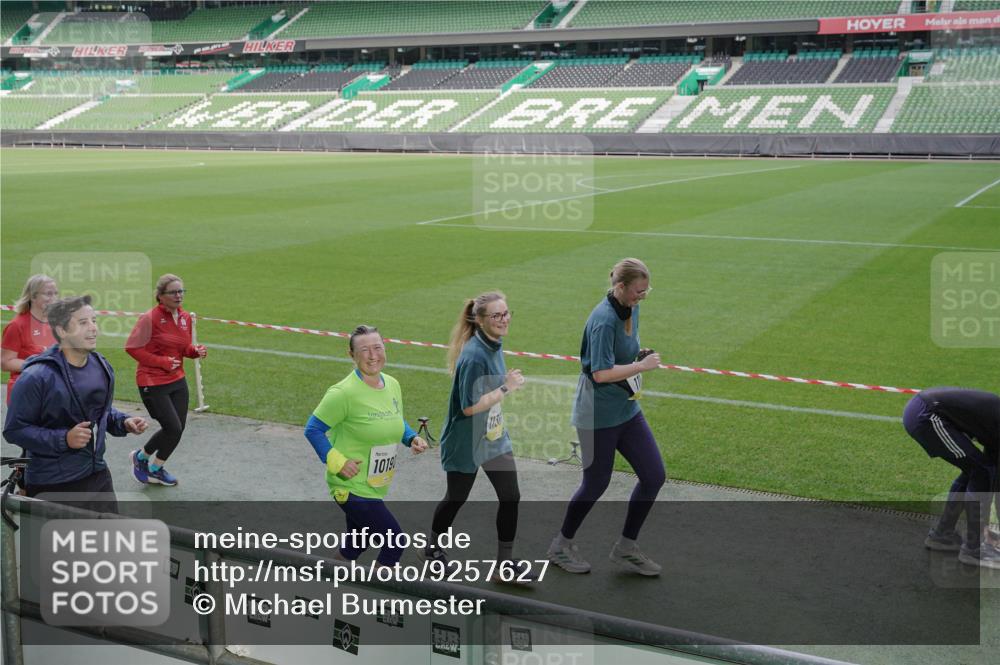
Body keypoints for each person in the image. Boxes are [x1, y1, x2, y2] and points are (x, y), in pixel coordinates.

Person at [548, 258, 666, 576]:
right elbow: (599, 373)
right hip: (597, 414)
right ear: (620, 286)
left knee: (654, 475)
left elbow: (622, 354)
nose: (642, 296)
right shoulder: (602, 319)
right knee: (596, 483)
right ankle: (560, 545)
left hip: (626, 408)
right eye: (638, 291)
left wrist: (635, 358)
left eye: (646, 291)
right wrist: (641, 367)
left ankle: (626, 548)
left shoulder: (630, 307)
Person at [424, 292, 532, 583]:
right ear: (479, 319)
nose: (504, 320)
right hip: (465, 440)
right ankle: (432, 550)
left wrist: (502, 384)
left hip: (493, 436)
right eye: (496, 316)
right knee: (456, 498)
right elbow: (468, 407)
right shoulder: (473, 355)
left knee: (511, 496)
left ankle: (503, 566)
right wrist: (506, 388)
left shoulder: (494, 342)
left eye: (506, 313)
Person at [2, 296, 148, 511]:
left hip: (97, 475)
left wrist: (123, 422)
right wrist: (64, 439)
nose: (93, 329)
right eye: (83, 323)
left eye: (94, 321)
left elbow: (100, 412)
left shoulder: (101, 366)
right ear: (61, 330)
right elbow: (15, 430)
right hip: (53, 484)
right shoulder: (36, 376)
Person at [303, 325, 428, 566]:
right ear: (351, 355)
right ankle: (369, 602)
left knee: (355, 545)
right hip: (349, 486)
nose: (372, 355)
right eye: (364, 350)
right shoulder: (342, 393)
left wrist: (411, 437)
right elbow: (313, 429)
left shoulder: (392, 384)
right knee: (395, 542)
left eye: (377, 347)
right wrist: (338, 462)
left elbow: (394, 418)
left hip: (374, 485)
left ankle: (321, 586)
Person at [903, 386, 1000, 569]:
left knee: (976, 470)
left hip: (924, 410)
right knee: (981, 472)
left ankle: (943, 535)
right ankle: (974, 549)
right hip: (928, 415)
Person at [125, 274, 206, 487]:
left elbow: (183, 348)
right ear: (161, 296)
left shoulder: (185, 317)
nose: (179, 296)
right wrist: (161, 362)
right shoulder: (149, 319)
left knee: (178, 428)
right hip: (152, 382)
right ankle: (141, 458)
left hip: (177, 380)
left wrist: (194, 351)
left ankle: (155, 467)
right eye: (174, 292)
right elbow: (132, 347)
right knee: (173, 428)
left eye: (181, 291)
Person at [2, 274, 59, 404]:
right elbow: (5, 363)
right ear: (33, 296)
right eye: (48, 294)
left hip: (51, 390)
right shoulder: (17, 326)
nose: (53, 298)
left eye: (55, 293)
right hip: (24, 392)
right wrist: (40, 365)